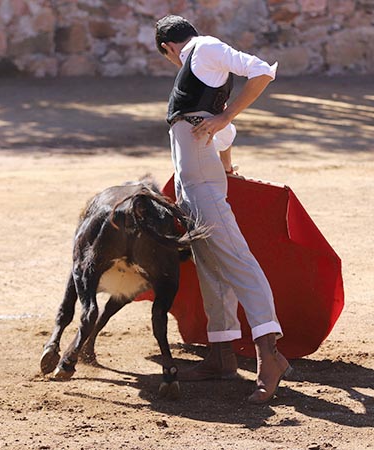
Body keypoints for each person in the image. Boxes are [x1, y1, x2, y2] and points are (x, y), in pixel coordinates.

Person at [155, 15, 292, 404]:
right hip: (192, 176)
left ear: (168, 48)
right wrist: (225, 147)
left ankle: (270, 355)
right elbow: (221, 131)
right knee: (210, 261)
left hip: (198, 177)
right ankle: (221, 353)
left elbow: (262, 72)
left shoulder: (205, 49)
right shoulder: (202, 66)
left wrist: (225, 116)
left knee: (235, 259)